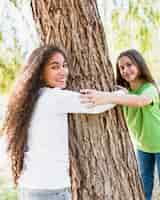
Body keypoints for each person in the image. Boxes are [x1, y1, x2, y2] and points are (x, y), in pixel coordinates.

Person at [2, 45, 116, 200]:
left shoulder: (30, 100)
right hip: (50, 190)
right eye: (55, 67)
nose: (63, 71)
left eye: (64, 65)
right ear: (40, 72)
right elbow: (96, 105)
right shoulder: (53, 98)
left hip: (29, 188)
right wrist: (121, 94)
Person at [81, 49, 160, 200]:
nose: (125, 70)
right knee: (144, 186)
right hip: (143, 147)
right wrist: (121, 94)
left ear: (139, 64)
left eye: (129, 65)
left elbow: (140, 101)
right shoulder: (125, 92)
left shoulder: (149, 88)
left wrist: (106, 97)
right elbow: (130, 98)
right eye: (121, 68)